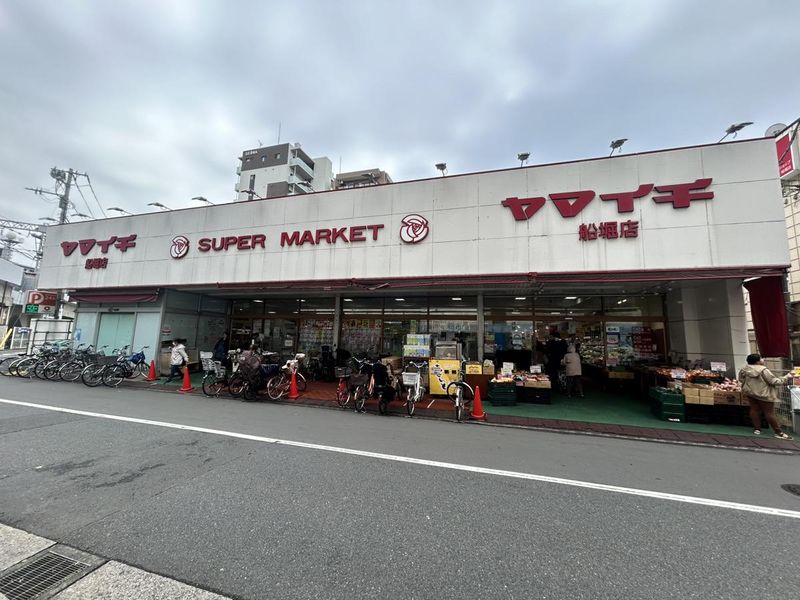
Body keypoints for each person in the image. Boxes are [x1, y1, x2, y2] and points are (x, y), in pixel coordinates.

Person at [737, 353, 793, 440]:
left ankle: (757, 429)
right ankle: (779, 432)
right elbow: (774, 381)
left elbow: (741, 379)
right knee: (769, 413)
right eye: (761, 359)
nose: (763, 360)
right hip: (764, 393)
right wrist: (787, 376)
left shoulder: (744, 369)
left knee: (754, 410)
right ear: (757, 361)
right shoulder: (763, 370)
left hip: (750, 392)